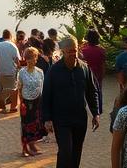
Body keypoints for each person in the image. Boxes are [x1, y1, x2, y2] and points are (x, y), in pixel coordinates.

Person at [42, 36, 101, 168]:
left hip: (80, 118)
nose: (73, 54)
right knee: (65, 151)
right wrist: (47, 118)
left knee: (76, 151)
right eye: (70, 51)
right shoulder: (54, 71)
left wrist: (96, 113)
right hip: (61, 119)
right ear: (63, 52)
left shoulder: (84, 68)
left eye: (75, 50)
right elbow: (46, 95)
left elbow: (92, 92)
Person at [20, 46, 46, 156]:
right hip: (26, 102)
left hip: (37, 101)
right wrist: (20, 102)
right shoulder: (21, 72)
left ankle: (33, 144)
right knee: (26, 125)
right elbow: (19, 87)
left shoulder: (40, 72)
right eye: (29, 57)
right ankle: (25, 148)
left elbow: (43, 87)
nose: (32, 60)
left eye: (34, 57)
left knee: (36, 124)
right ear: (26, 59)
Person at [80, 28, 106, 114]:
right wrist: (102, 76)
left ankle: (83, 109)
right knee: (98, 92)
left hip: (86, 74)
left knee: (84, 93)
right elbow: (102, 65)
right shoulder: (102, 50)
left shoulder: (83, 50)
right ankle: (98, 110)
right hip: (97, 74)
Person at [0, 28, 21, 112]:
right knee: (14, 89)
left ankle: (3, 107)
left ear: (3, 36)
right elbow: (17, 60)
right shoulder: (13, 45)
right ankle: (13, 107)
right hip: (11, 71)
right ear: (10, 36)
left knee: (1, 90)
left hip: (0, 71)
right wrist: (18, 67)